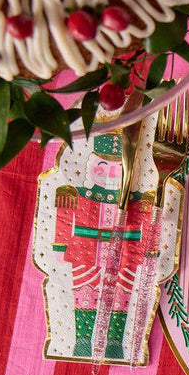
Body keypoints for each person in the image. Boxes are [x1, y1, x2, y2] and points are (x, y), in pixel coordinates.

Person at [53, 133, 154, 359]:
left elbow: (147, 224)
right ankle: (83, 340)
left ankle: (116, 342)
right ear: (91, 166)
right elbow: (65, 217)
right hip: (85, 254)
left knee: (121, 296)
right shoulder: (79, 195)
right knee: (85, 295)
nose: (109, 174)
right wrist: (60, 246)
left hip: (125, 257)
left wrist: (148, 250)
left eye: (117, 170)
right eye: (103, 166)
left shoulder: (139, 200)